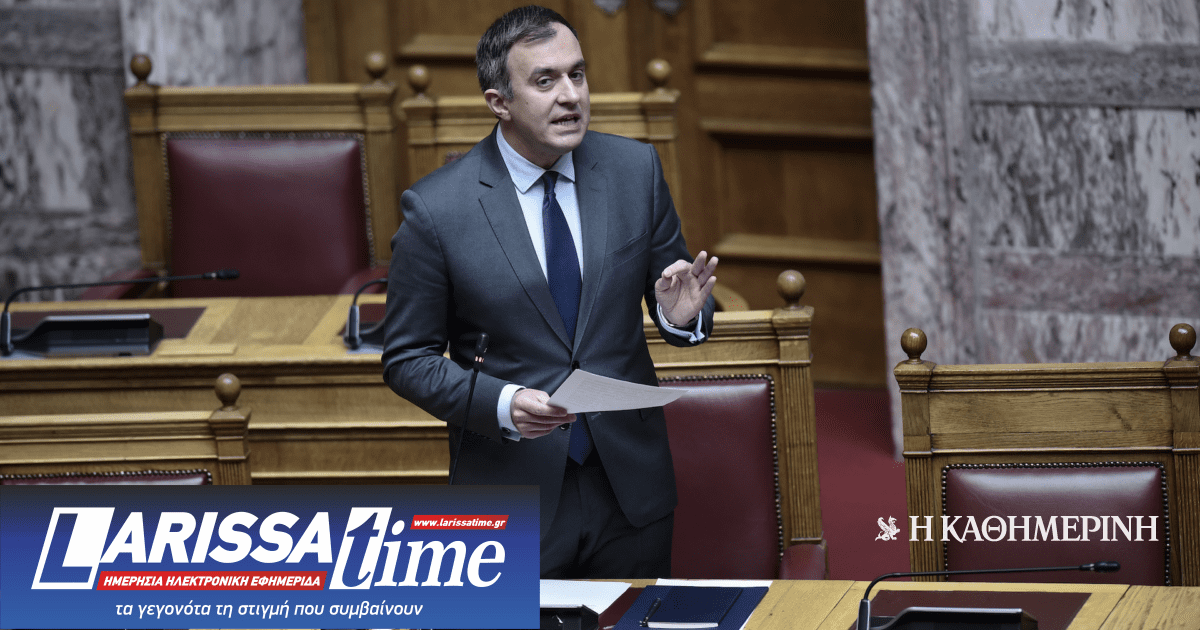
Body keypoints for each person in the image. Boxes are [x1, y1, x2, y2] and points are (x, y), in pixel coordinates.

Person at [380, 4, 717, 578]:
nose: (571, 96)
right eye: (545, 81)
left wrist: (679, 318)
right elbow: (407, 359)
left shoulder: (635, 170)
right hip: (511, 494)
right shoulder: (437, 210)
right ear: (499, 102)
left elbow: (680, 294)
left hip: (629, 489)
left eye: (577, 74)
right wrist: (502, 404)